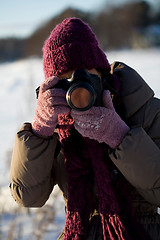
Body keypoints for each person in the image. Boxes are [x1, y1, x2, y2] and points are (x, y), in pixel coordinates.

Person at [10, 17, 160, 240]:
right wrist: (39, 132)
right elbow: (28, 196)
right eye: (65, 80)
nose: (78, 88)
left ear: (102, 75)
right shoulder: (55, 124)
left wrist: (121, 136)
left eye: (87, 76)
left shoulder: (143, 109)